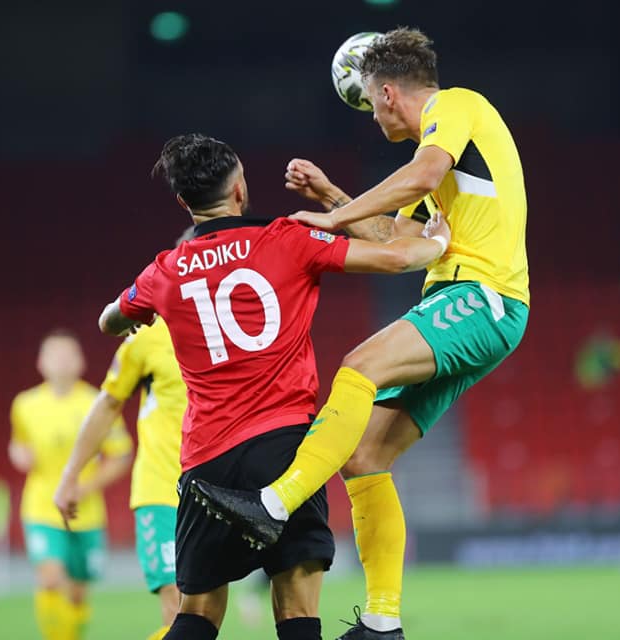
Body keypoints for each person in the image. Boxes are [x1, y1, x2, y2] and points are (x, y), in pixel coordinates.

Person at [195, 27, 529, 639]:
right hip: (468, 302)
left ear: (389, 93)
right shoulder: (441, 167)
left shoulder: (457, 107)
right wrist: (333, 196)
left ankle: (273, 503)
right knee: (364, 456)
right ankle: (382, 622)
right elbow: (396, 242)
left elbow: (423, 174)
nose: (372, 117)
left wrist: (332, 218)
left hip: (484, 297)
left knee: (359, 365)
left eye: (370, 103)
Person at [87, 133, 451, 640]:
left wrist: (132, 316)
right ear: (239, 189)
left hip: (208, 460)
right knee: (298, 615)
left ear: (184, 202)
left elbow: (109, 319)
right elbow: (394, 258)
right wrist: (438, 242)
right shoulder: (285, 238)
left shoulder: (163, 271)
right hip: (286, 453)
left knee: (195, 617)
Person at [54, 230, 194, 640]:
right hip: (162, 490)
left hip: (219, 490)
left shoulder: (235, 328)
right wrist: (70, 475)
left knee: (205, 615)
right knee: (179, 611)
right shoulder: (148, 337)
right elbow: (107, 405)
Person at [9, 330, 133, 640]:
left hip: (85, 511)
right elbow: (18, 443)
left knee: (77, 593)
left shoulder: (98, 403)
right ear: (41, 362)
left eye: (68, 355)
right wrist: (18, 454)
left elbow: (121, 455)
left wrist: (85, 488)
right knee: (50, 579)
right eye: (54, 354)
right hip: (42, 506)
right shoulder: (25, 404)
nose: (61, 361)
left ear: (81, 362)